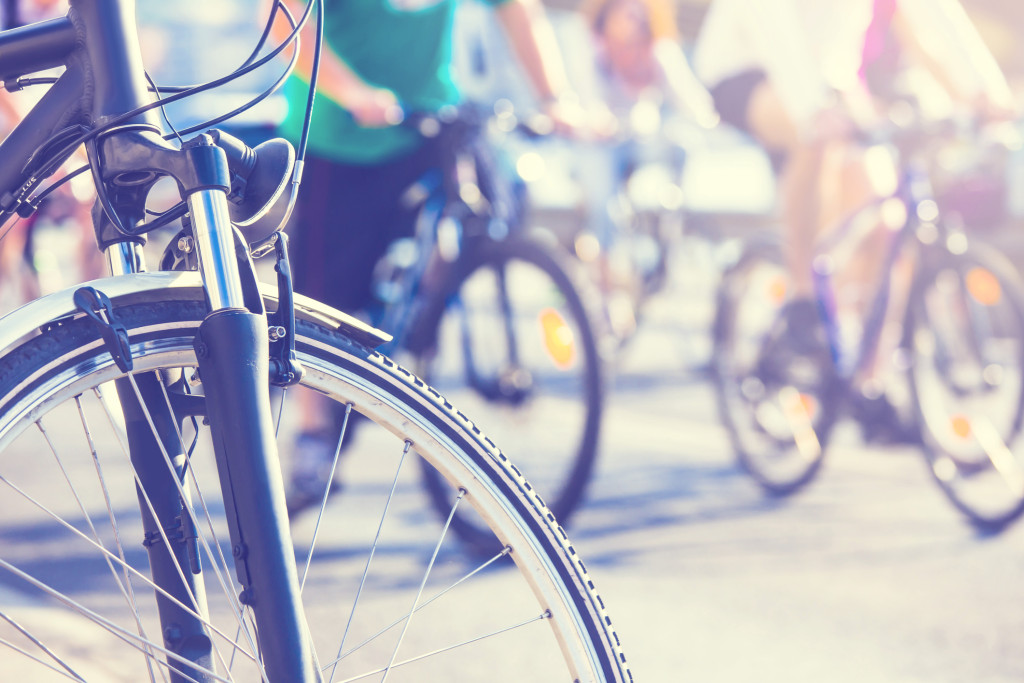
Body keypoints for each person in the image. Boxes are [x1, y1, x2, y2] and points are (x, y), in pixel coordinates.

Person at [269, 0, 580, 515]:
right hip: (343, 135)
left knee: (492, 213)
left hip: (430, 119)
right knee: (321, 299)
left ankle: (424, 314)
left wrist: (556, 97)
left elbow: (520, 11)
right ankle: (314, 432)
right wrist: (353, 92)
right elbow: (282, 19)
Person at [691, 0, 1015, 442]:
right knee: (815, 138)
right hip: (748, 67)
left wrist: (985, 93)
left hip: (831, 81)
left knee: (889, 220)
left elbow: (938, 20)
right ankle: (804, 299)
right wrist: (811, 108)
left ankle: (868, 382)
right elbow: (770, 20)